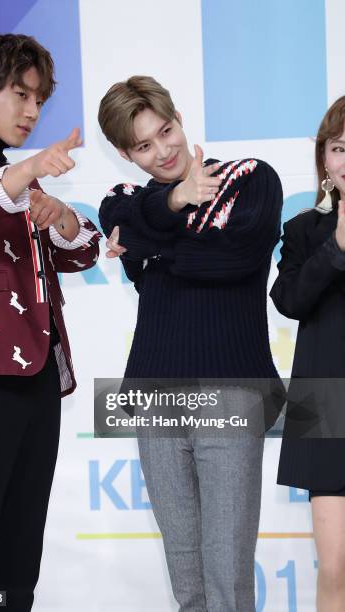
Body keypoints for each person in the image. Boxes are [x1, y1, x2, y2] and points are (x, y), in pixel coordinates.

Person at [98, 76, 283, 612]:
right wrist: (176, 203)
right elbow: (122, 223)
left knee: (226, 574)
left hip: (231, 390)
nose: (163, 150)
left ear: (177, 117)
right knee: (187, 577)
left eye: (166, 130)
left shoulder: (250, 178)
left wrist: (158, 251)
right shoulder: (127, 197)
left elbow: (237, 261)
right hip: (154, 395)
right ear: (124, 155)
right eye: (144, 146)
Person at [0, 33, 100, 611]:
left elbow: (84, 254)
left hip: (38, 374)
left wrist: (60, 219)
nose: (32, 112)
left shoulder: (16, 179)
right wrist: (24, 174)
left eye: (40, 100)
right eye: (21, 95)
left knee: (19, 546)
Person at [270, 96, 345, 612]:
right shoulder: (303, 230)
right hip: (325, 401)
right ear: (324, 159)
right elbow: (289, 299)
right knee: (336, 569)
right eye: (339, 148)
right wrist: (337, 244)